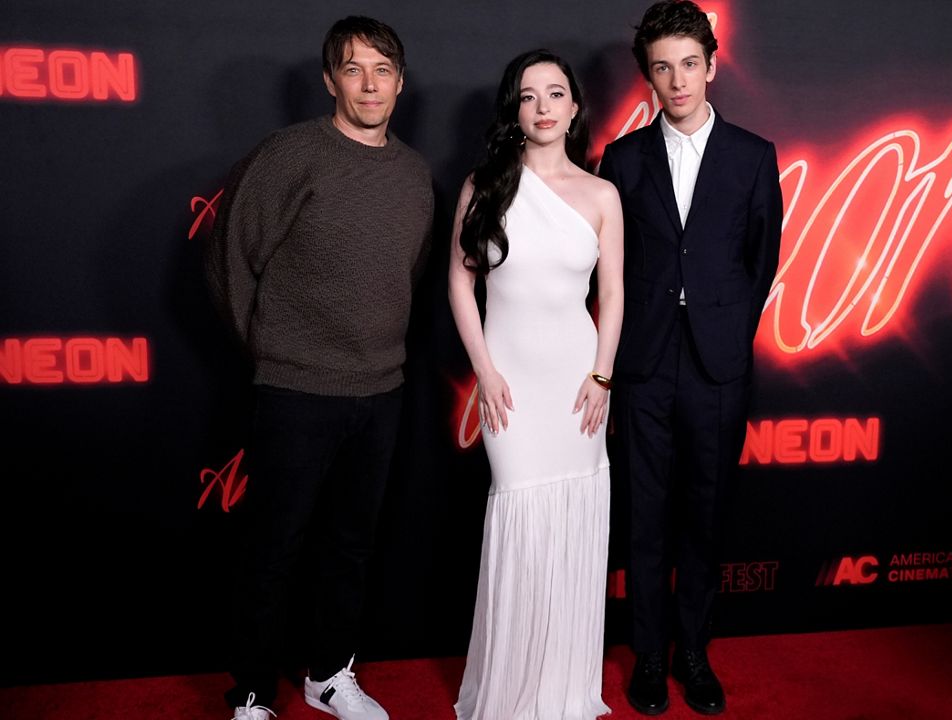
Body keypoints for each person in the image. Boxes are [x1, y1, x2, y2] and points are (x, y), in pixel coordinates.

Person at [203, 16, 434, 720]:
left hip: (382, 391)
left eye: (383, 70)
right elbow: (228, 261)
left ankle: (330, 675)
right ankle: (250, 692)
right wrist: (276, 349)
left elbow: (404, 276)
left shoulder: (414, 173)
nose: (370, 84)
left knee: (352, 545)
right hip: (296, 390)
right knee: (274, 547)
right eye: (355, 69)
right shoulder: (291, 153)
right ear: (331, 78)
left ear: (400, 82)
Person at [597, 1, 783, 715]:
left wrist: (727, 329)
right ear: (648, 75)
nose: (676, 80)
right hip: (644, 362)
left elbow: (759, 262)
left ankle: (694, 654)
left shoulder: (753, 156)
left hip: (716, 362)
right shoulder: (621, 158)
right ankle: (647, 657)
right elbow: (608, 267)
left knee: (705, 514)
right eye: (661, 67)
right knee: (644, 514)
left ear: (712, 65)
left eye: (688, 64)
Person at [448, 49, 624, 720]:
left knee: (575, 521)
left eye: (556, 93)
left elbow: (613, 294)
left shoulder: (602, 194)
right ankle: (512, 692)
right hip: (510, 383)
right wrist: (485, 371)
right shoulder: (484, 185)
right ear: (514, 110)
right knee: (520, 515)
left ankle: (563, 690)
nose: (544, 106)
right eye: (529, 95)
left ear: (575, 108)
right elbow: (460, 283)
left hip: (579, 381)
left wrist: (603, 375)